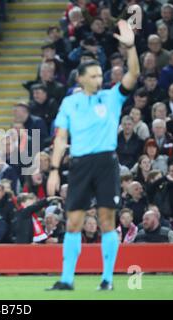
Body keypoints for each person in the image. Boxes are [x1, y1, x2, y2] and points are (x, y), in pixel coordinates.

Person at [47, 20, 140, 291]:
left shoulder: (112, 98)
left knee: (106, 220)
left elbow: (133, 74)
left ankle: (107, 280)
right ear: (81, 79)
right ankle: (66, 279)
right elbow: (61, 137)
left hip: (105, 162)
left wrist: (131, 47)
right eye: (94, 76)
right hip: (79, 164)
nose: (99, 79)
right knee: (74, 221)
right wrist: (54, 169)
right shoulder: (70, 103)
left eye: (101, 75)